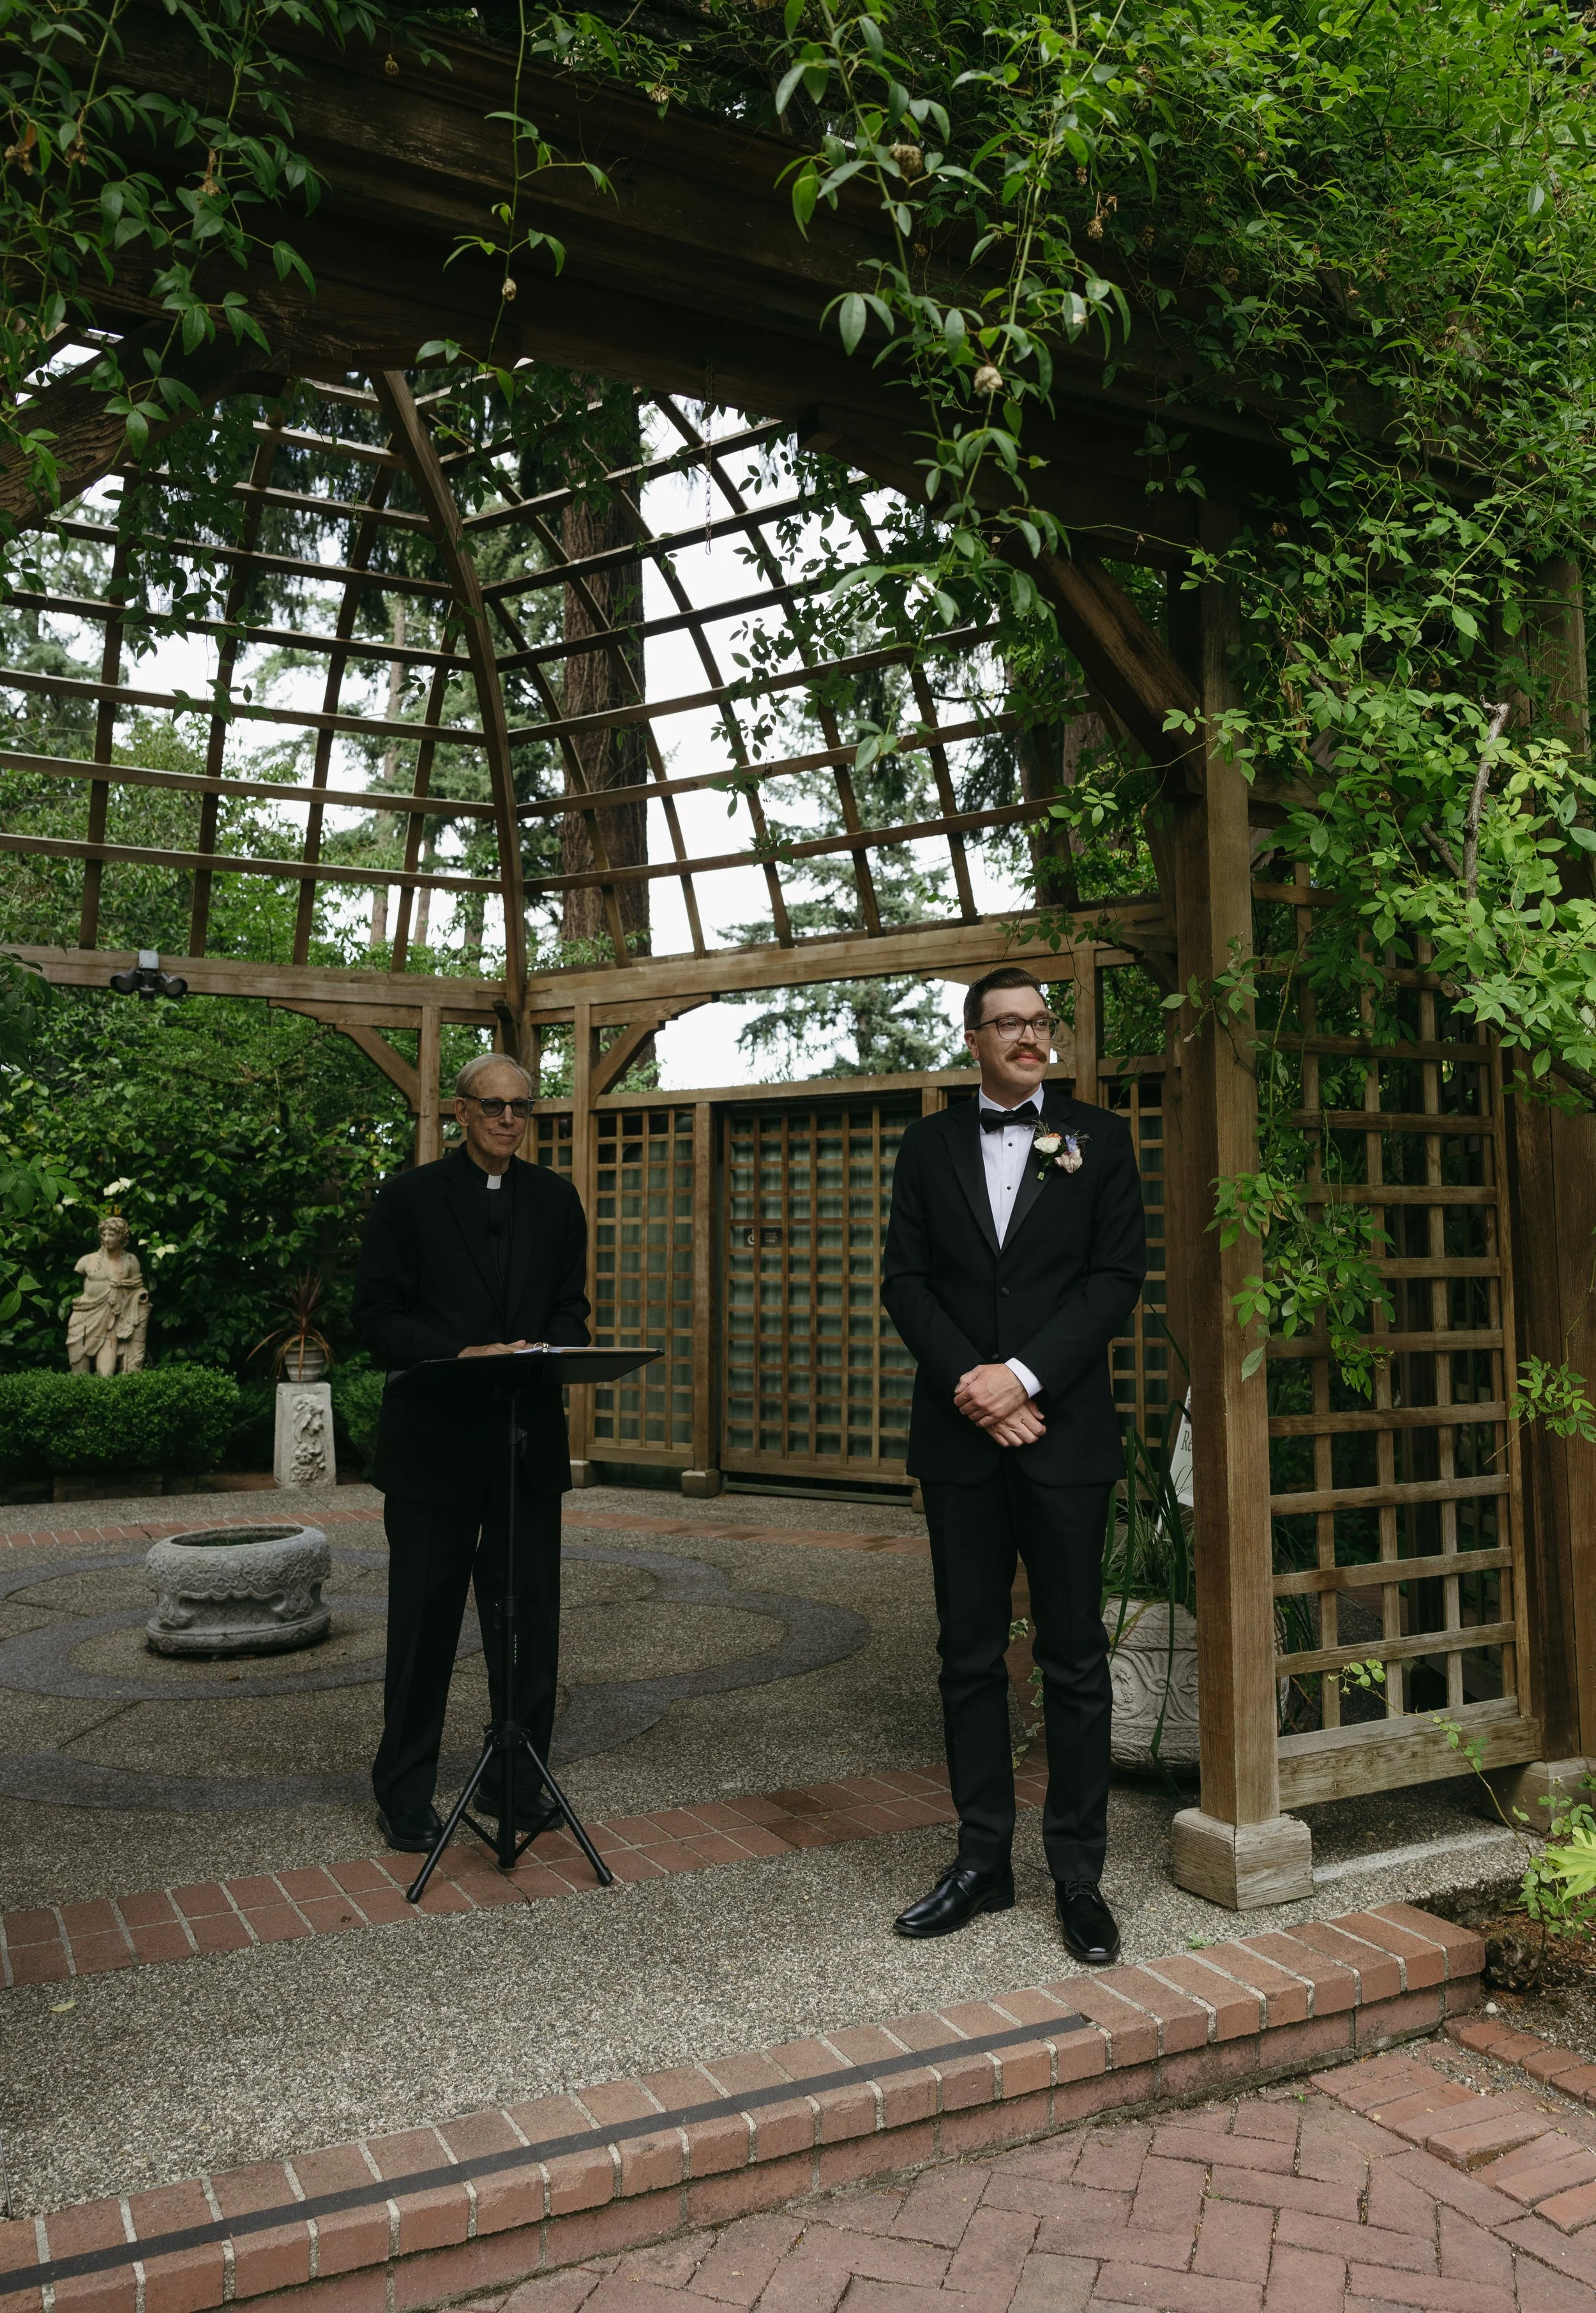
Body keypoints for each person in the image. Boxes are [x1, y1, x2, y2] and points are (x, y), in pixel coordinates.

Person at [880, 966, 1147, 1963]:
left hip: (1064, 1434)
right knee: (969, 1654)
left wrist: (1025, 1377)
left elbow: (1118, 1277)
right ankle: (982, 1861)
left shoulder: (1100, 1138)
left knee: (1075, 1657)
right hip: (960, 1435)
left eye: (1041, 1022)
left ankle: (1078, 1875)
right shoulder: (927, 1144)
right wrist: (974, 1384)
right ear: (974, 1038)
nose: (1032, 1038)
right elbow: (903, 1279)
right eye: (1010, 1024)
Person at [352, 1052, 589, 1851]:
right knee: (424, 1622)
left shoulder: (557, 1201)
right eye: (493, 1106)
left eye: (523, 1108)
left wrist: (545, 1348)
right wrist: (464, 1354)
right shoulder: (408, 1199)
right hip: (432, 1448)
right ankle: (404, 1791)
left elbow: (571, 1310)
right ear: (460, 1112)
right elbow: (377, 1319)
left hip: (525, 1445)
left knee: (529, 1627)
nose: (509, 1121)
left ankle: (516, 1785)